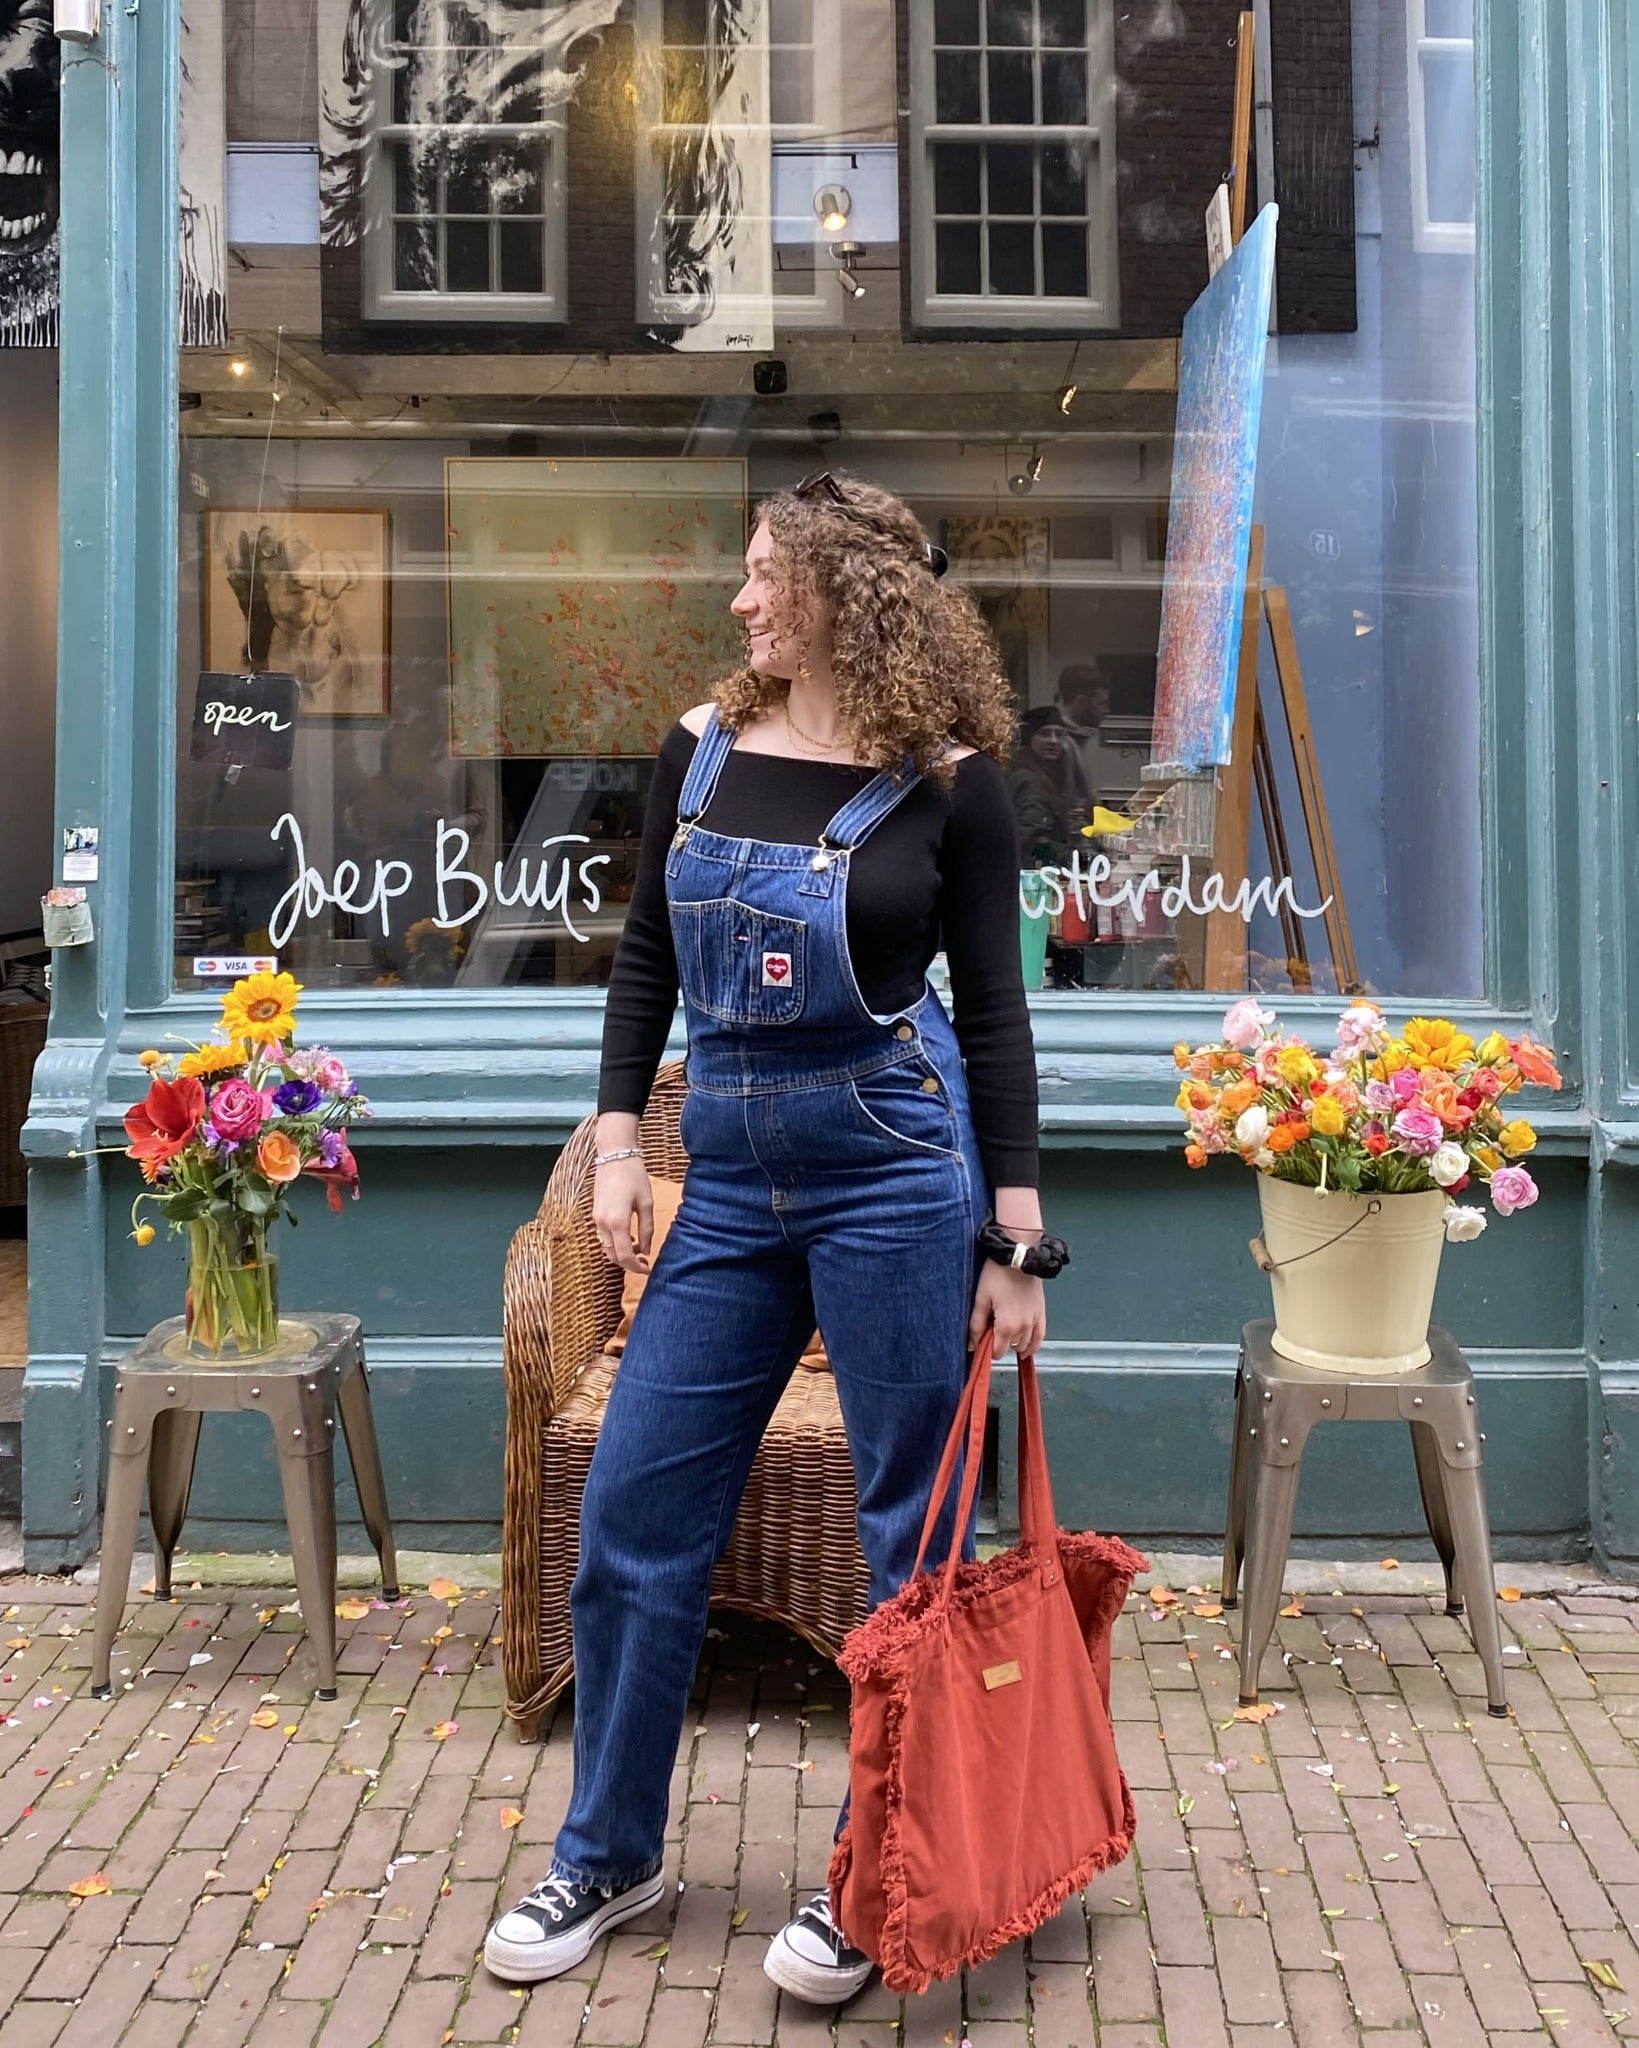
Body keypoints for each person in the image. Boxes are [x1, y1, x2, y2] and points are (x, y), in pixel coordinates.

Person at [483, 473, 1055, 2005]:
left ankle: (879, 1870)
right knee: (633, 1512)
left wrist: (1016, 1237)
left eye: (764, 578)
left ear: (846, 595)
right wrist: (616, 1142)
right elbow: (645, 960)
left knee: (901, 1535)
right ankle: (611, 1847)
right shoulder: (703, 746)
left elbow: (993, 1018)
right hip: (723, 1181)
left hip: (890, 1171)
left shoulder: (951, 783)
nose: (739, 603)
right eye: (741, 577)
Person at [1007, 703, 1084, 865]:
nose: (1053, 740)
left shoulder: (1055, 774)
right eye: (1044, 734)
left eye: (1060, 734)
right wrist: (1075, 855)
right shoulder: (1028, 779)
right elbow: (1032, 841)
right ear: (1029, 738)